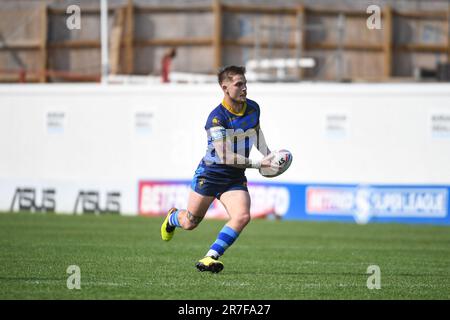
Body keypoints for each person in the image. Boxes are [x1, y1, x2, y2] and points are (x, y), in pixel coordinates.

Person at [160, 65, 277, 273]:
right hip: (210, 174)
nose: (244, 88)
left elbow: (256, 132)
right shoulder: (216, 118)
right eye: (238, 84)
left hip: (234, 177)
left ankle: (210, 257)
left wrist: (268, 154)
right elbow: (225, 157)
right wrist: (259, 164)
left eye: (245, 83)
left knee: (242, 216)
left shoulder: (253, 108)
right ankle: (171, 217)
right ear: (225, 88)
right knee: (190, 222)